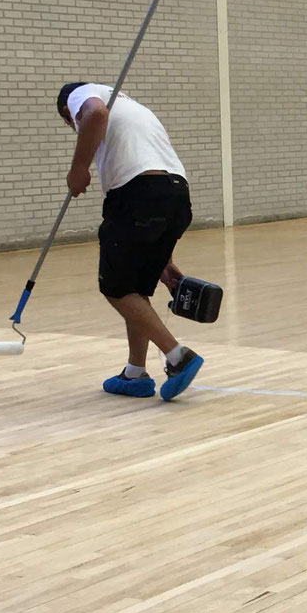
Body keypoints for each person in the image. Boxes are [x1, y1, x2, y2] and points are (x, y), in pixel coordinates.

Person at [58, 82, 204, 400]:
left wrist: (78, 168)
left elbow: (95, 113)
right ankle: (135, 373)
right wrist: (162, 260)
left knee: (117, 289)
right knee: (135, 287)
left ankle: (178, 357)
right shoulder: (132, 107)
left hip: (136, 194)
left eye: (70, 124)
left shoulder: (80, 96)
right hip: (176, 194)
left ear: (69, 113)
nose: (74, 127)